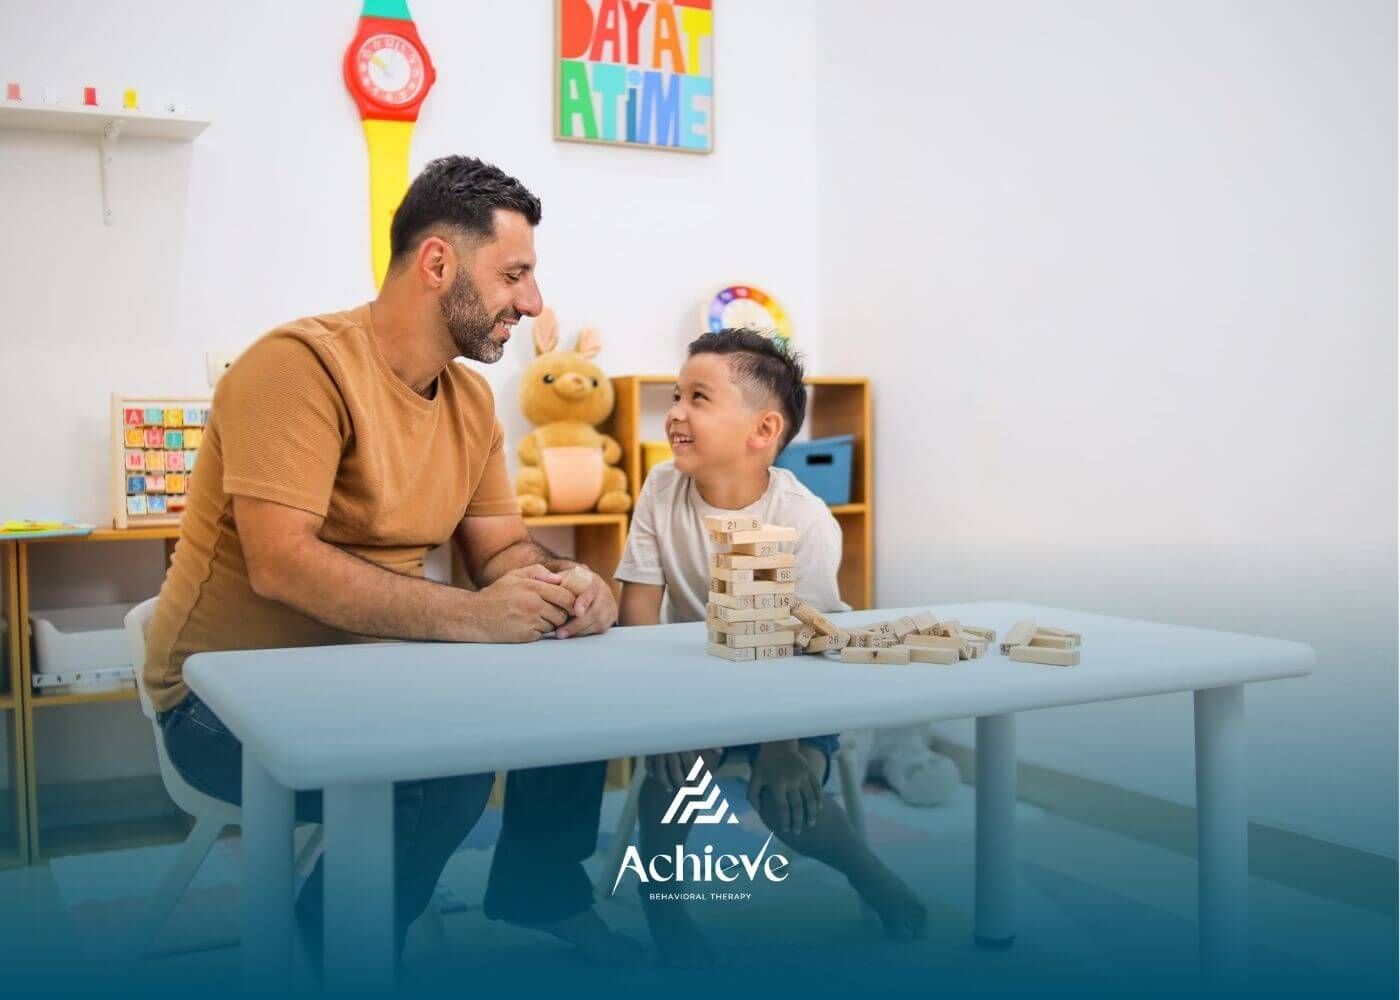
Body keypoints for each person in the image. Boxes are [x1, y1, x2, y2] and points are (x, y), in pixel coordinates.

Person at [143, 155, 635, 973]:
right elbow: (283, 565)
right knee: (442, 770)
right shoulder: (295, 368)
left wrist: (569, 589)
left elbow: (500, 550)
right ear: (439, 263)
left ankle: (539, 890)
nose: (534, 302)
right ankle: (341, 947)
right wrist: (477, 618)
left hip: (374, 681)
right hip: (217, 705)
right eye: (515, 274)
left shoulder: (472, 403)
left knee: (568, 687)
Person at [612, 328, 928, 966]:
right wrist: (665, 719)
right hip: (695, 688)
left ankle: (874, 878)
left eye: (698, 397)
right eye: (676, 395)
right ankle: (665, 912)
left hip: (791, 686)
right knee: (666, 787)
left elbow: (798, 642)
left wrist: (781, 745)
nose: (675, 412)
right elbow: (637, 610)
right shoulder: (658, 490)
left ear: (762, 431)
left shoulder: (804, 518)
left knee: (788, 802)